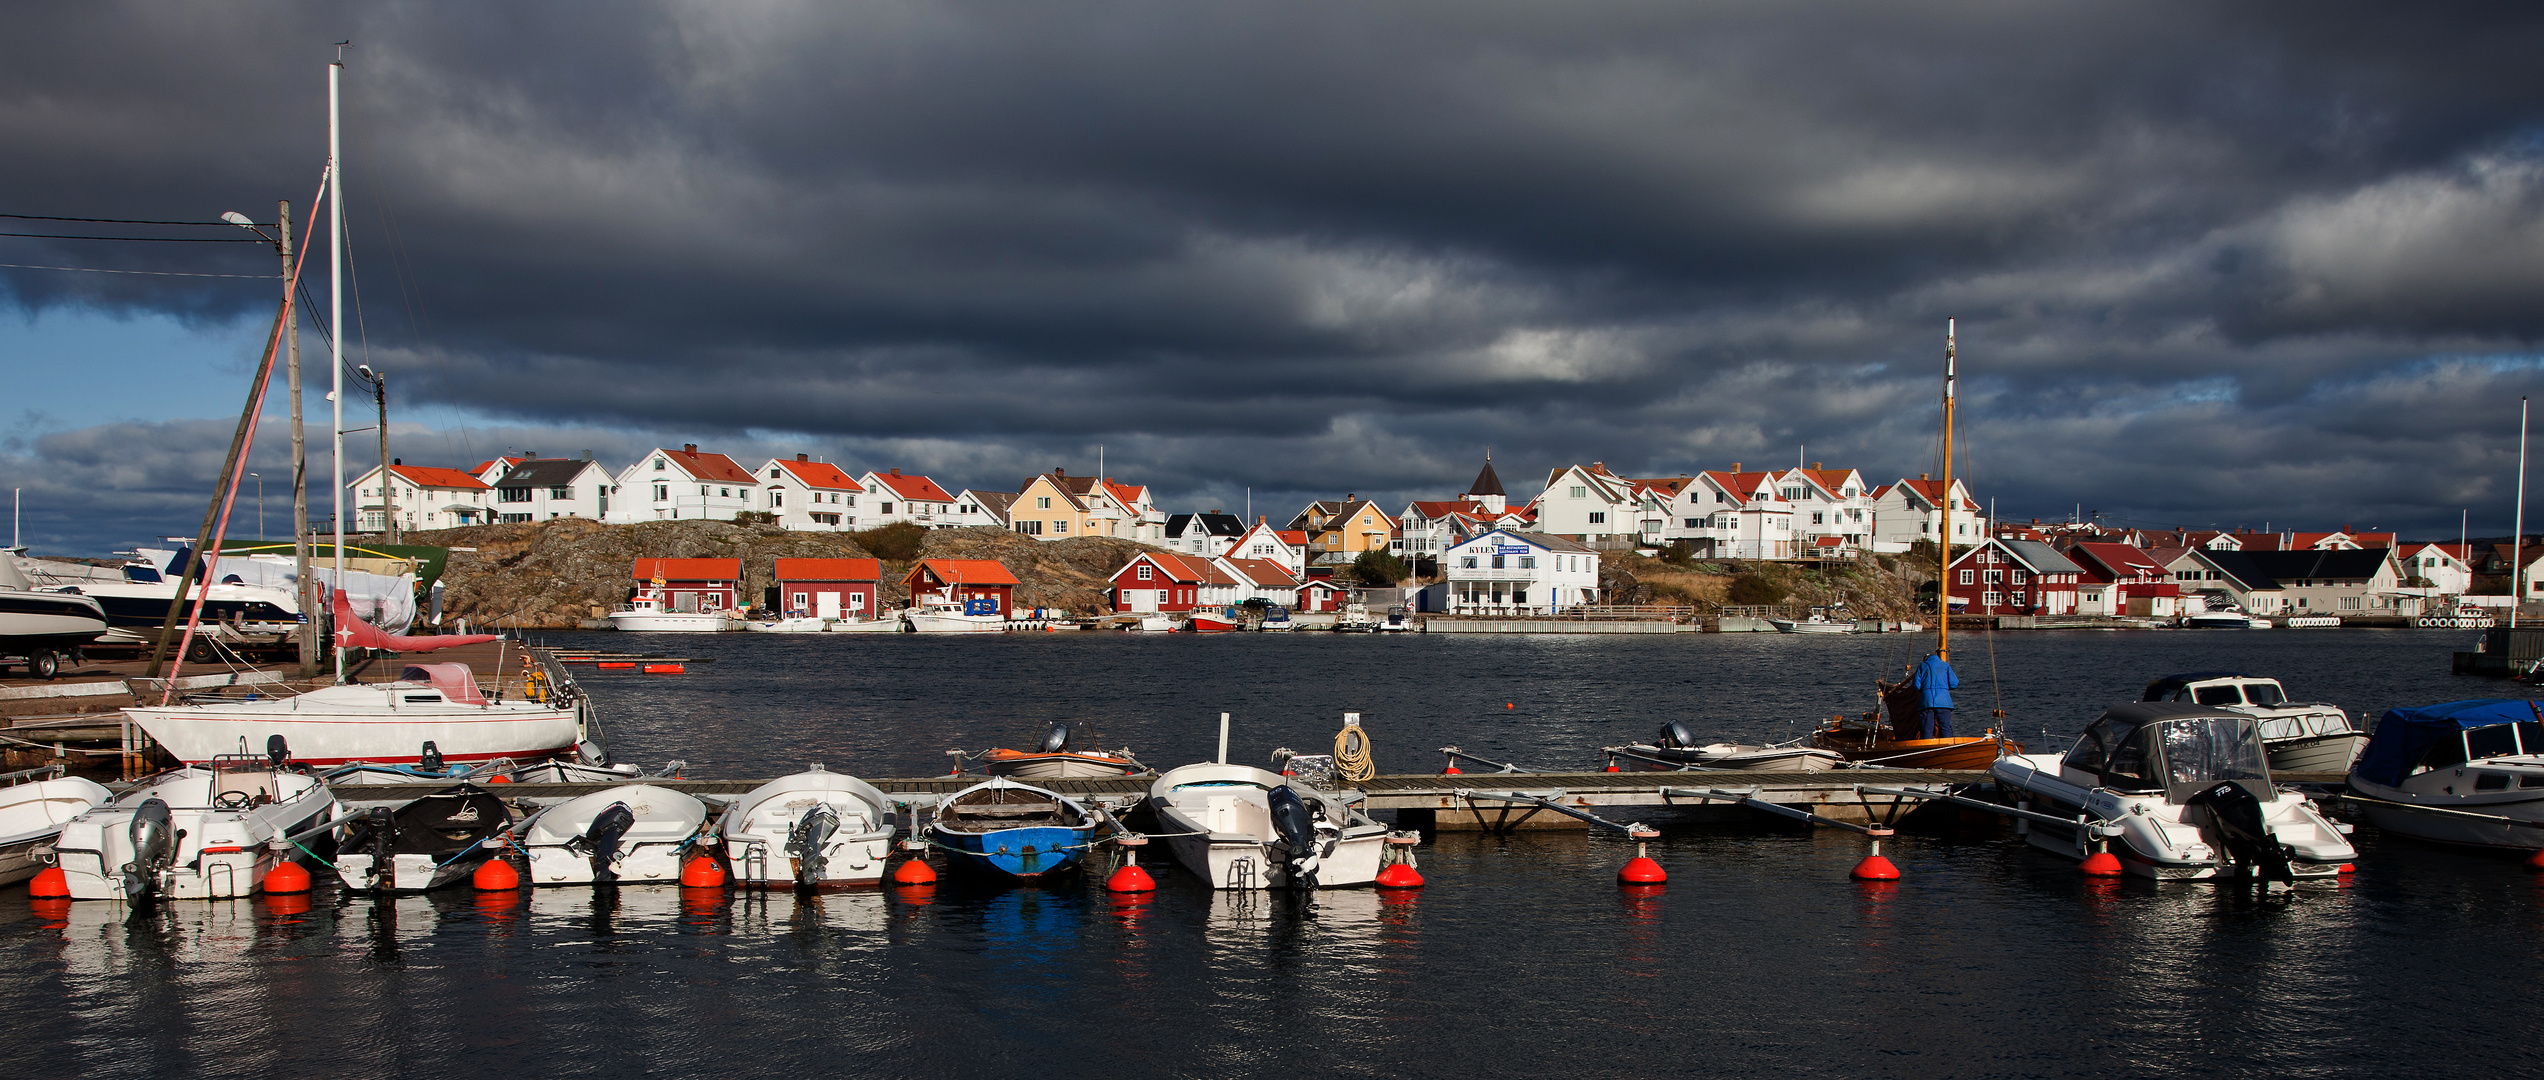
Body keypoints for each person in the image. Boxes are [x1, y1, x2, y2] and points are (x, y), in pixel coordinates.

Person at [1907, 653, 1959, 739]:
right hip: (1944, 701)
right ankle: (1947, 746)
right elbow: (1954, 684)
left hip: (1927, 701)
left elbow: (1916, 685)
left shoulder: (1923, 666)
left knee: (1927, 728)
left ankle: (1926, 748)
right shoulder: (1945, 665)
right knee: (1945, 727)